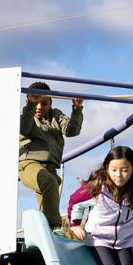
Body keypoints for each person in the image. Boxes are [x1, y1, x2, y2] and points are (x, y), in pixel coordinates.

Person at [18, 81, 84, 230]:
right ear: (28, 101)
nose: (40, 107)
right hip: (29, 163)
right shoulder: (26, 116)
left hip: (51, 168)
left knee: (49, 201)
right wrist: (30, 106)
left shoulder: (56, 115)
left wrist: (77, 109)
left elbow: (71, 131)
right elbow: (24, 128)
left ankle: (44, 232)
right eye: (36, 103)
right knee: (49, 182)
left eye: (44, 103)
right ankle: (55, 227)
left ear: (50, 102)